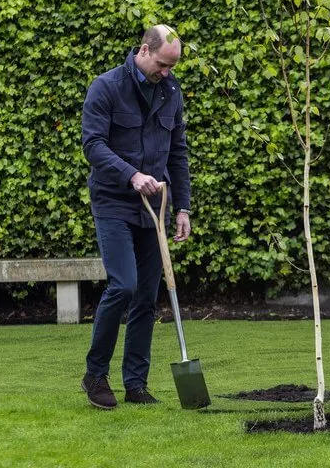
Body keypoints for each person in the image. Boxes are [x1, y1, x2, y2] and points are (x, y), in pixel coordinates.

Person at [80, 24, 192, 409]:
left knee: (146, 295)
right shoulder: (106, 87)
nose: (167, 73)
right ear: (144, 51)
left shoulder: (171, 91)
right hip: (114, 201)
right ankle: (95, 374)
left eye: (172, 67)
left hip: (155, 205)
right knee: (124, 285)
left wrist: (182, 207)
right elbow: (92, 146)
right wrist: (131, 174)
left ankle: (136, 384)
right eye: (162, 65)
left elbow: (177, 151)